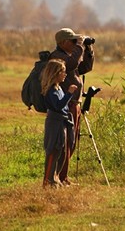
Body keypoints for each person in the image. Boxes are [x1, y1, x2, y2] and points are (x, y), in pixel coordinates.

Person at [49, 28, 94, 185]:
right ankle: (59, 177)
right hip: (65, 104)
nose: (75, 43)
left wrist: (88, 50)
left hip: (75, 103)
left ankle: (63, 177)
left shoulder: (69, 56)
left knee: (72, 141)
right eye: (72, 41)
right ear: (62, 42)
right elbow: (72, 63)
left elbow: (84, 68)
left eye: (77, 40)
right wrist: (80, 45)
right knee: (66, 142)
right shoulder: (58, 57)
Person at [41, 58, 78, 188]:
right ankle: (48, 180)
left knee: (62, 151)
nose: (65, 74)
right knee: (54, 150)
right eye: (62, 72)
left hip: (62, 122)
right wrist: (69, 94)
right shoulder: (51, 90)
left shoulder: (58, 88)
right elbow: (58, 106)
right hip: (55, 123)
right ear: (55, 73)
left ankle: (55, 177)